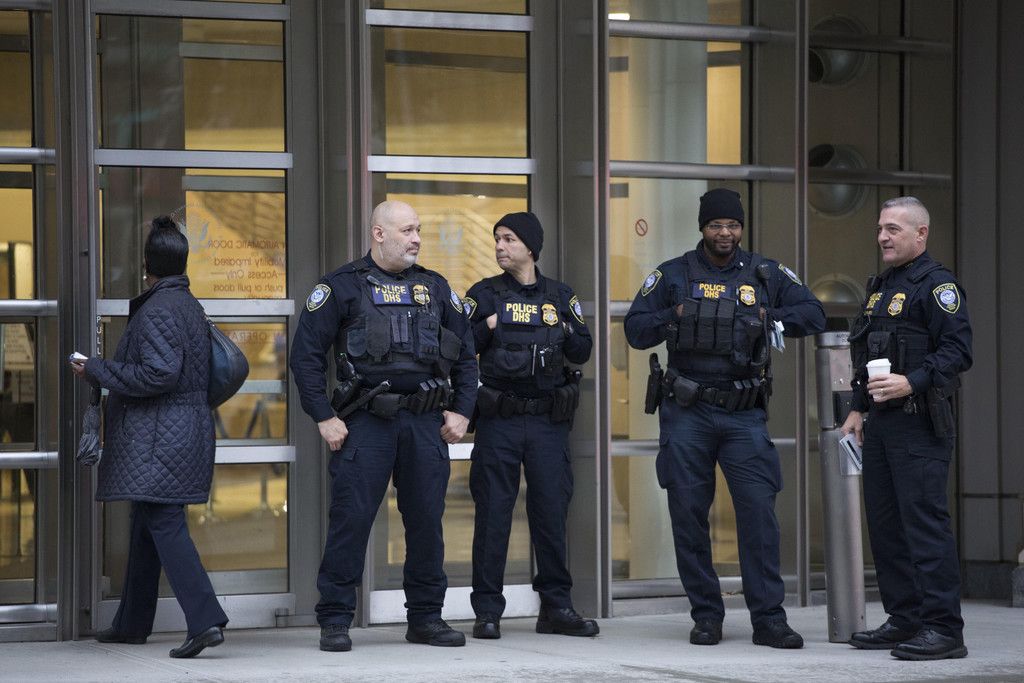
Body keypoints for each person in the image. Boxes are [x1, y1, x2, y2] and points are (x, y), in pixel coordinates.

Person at [624, 188, 825, 649]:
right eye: (716, 225)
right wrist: (674, 316)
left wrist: (767, 316)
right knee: (688, 516)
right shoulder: (673, 274)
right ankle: (706, 616)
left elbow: (813, 313)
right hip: (687, 413)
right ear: (703, 227)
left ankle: (769, 619)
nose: (725, 233)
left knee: (759, 515)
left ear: (741, 228)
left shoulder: (764, 272)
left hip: (743, 415)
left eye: (733, 225)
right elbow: (635, 328)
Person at [290, 200, 477, 652]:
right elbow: (305, 358)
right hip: (366, 425)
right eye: (407, 230)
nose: (416, 239)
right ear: (379, 234)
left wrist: (462, 410)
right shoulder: (341, 287)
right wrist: (324, 416)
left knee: (427, 523)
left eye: (419, 230)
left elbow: (467, 356)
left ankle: (426, 619)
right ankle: (335, 620)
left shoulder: (435, 287)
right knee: (351, 521)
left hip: (424, 423)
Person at [69, 216, 227, 659]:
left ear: (147, 266)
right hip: (177, 431)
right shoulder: (187, 304)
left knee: (165, 524)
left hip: (162, 438)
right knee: (145, 524)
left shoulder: (159, 309)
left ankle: (205, 620)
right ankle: (132, 624)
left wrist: (97, 369)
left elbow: (159, 374)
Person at [841, 196, 972, 661]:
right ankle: (905, 619)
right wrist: (857, 408)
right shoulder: (881, 287)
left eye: (893, 229)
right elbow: (866, 353)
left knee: (924, 526)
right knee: (886, 527)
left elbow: (958, 351)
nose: (882, 237)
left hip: (920, 423)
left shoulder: (937, 286)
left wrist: (911, 381)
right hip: (880, 424)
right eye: (880, 228)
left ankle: (944, 629)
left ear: (921, 234)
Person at [463, 212, 599, 640]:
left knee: (551, 514)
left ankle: (556, 607)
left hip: (546, 421)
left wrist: (559, 324)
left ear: (530, 247)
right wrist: (489, 325)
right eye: (497, 239)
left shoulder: (560, 295)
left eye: (508, 239)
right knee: (493, 515)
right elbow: (456, 345)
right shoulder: (484, 294)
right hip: (499, 420)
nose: (500, 246)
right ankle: (487, 611)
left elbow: (583, 349)